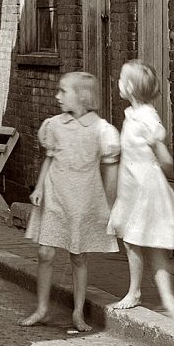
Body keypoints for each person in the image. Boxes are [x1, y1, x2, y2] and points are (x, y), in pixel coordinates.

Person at [20, 71, 120, 332]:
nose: (57, 96)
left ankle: (77, 312)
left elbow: (110, 169)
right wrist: (40, 186)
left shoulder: (101, 130)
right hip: (55, 194)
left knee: (78, 255)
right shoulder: (54, 125)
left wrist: (109, 205)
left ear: (82, 96)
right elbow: (50, 158)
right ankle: (42, 308)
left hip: (83, 197)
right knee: (45, 252)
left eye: (64, 91)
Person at [108, 61, 174, 321]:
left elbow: (163, 155)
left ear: (130, 87)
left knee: (148, 242)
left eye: (122, 79)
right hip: (131, 185)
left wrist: (167, 173)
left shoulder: (146, 116)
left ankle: (159, 297)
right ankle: (145, 294)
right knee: (134, 240)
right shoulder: (131, 114)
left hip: (146, 186)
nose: (118, 83)